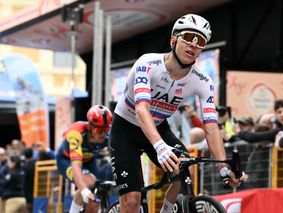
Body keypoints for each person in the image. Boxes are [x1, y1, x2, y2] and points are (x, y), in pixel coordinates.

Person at [110, 14, 246, 213]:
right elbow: (141, 110)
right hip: (126, 128)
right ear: (174, 40)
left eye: (199, 41)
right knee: (132, 202)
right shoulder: (147, 63)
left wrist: (224, 169)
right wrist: (160, 147)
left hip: (158, 126)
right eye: (188, 37)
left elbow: (211, 127)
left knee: (184, 171)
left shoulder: (203, 81)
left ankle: (167, 210)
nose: (193, 44)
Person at [56, 105, 112, 213]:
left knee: (95, 200)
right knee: (89, 181)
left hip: (88, 160)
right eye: (99, 130)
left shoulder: (109, 135)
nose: (103, 134)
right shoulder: (76, 133)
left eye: (106, 129)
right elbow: (76, 165)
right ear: (90, 127)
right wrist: (83, 189)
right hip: (66, 160)